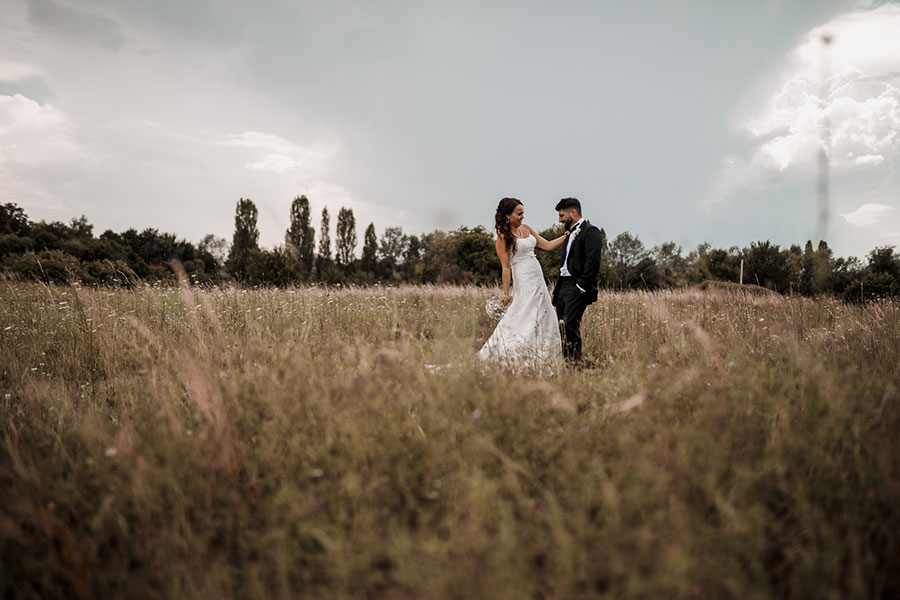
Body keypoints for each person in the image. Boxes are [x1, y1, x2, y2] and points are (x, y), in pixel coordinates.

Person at [478, 198, 569, 370]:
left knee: (543, 311)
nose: (522, 217)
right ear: (507, 215)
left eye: (523, 213)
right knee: (525, 311)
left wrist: (566, 236)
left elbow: (548, 245)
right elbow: (505, 267)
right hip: (523, 277)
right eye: (519, 214)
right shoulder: (503, 238)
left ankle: (545, 357)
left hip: (537, 275)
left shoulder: (526, 229)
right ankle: (514, 353)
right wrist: (506, 293)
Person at [552, 197, 603, 364]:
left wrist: (581, 286)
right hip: (562, 286)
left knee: (570, 326)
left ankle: (575, 366)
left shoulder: (591, 231)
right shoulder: (568, 234)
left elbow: (593, 261)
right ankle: (565, 363)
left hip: (577, 286)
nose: (559, 220)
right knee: (561, 327)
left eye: (561, 216)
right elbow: (564, 264)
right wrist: (556, 290)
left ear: (573, 213)